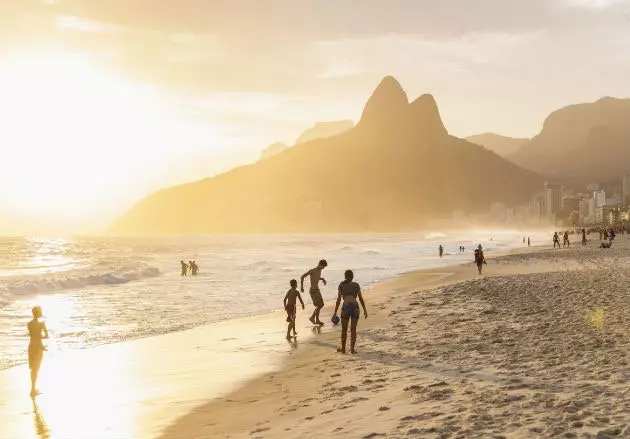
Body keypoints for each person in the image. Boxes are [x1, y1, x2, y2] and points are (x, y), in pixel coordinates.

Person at [332, 270, 367, 354]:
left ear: (345, 276)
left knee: (344, 330)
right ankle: (352, 350)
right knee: (353, 329)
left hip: (346, 306)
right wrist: (365, 310)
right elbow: (361, 298)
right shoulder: (356, 285)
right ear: (352, 277)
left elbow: (338, 300)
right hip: (355, 306)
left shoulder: (341, 285)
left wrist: (335, 313)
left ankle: (343, 349)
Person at [28, 306, 49, 397]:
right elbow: (46, 336)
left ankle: (33, 388)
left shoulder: (29, 324)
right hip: (38, 347)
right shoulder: (41, 324)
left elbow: (33, 336)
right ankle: (33, 390)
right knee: (36, 369)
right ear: (39, 313)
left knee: (33, 369)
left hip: (31, 346)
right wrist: (44, 327)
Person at [301, 259, 328, 326]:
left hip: (317, 290)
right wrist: (302, 287)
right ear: (320, 264)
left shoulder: (320, 270)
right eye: (323, 266)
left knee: (321, 305)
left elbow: (316, 278)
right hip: (313, 291)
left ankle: (313, 318)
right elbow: (302, 276)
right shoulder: (312, 271)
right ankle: (316, 319)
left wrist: (322, 279)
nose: (323, 268)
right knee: (319, 306)